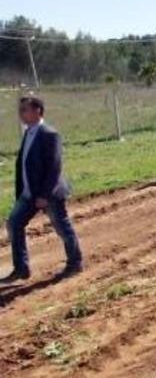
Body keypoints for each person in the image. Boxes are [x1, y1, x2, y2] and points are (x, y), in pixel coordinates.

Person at [3, 96, 83, 282]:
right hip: (29, 194)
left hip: (49, 194)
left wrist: (44, 195)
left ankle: (75, 262)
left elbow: (54, 167)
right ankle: (21, 269)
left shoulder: (49, 134)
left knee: (62, 227)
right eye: (20, 110)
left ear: (38, 110)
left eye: (25, 110)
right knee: (14, 223)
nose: (21, 114)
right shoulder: (28, 133)